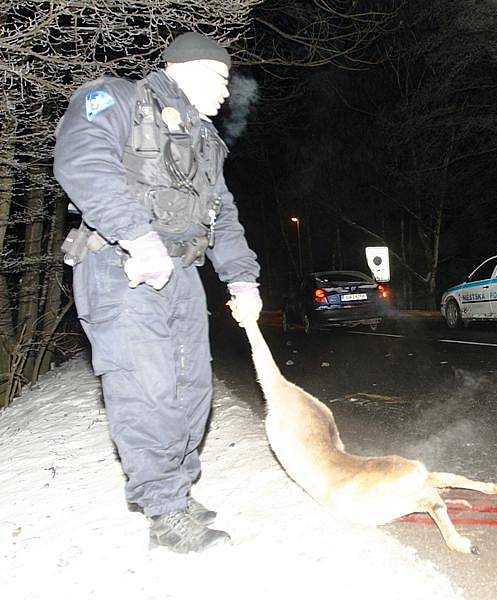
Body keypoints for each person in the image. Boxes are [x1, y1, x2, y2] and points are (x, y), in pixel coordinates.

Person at [53, 33, 263, 553]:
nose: (225, 94)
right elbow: (83, 164)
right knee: (145, 389)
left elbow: (224, 215)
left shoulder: (205, 140)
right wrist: (138, 237)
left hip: (181, 273)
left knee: (191, 388)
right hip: (122, 266)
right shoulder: (118, 99)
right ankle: (164, 511)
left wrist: (242, 277)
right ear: (186, 69)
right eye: (220, 80)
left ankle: (177, 490)